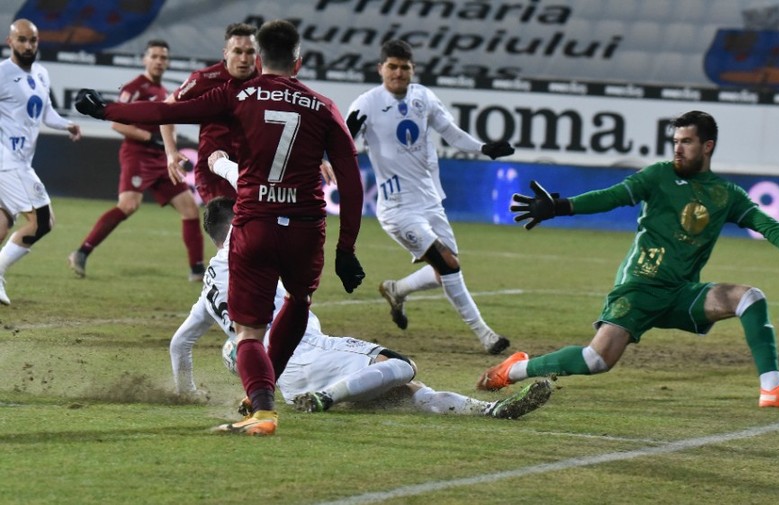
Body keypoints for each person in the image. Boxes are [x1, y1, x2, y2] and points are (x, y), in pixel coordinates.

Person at [75, 19, 366, 436]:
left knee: (248, 331)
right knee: (298, 301)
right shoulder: (323, 106)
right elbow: (351, 182)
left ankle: (262, 409)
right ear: (298, 63)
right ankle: (261, 393)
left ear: (259, 60)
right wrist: (346, 248)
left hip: (256, 224)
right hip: (306, 229)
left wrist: (106, 110)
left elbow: (165, 111)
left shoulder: (237, 95)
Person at [477, 110, 779, 410]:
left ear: (707, 146)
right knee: (596, 360)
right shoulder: (658, 176)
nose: (678, 148)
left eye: (687, 142)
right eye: (675, 141)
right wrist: (560, 206)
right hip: (640, 287)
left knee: (749, 297)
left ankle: (772, 389)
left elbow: (769, 226)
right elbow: (613, 196)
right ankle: (515, 368)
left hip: (680, 293)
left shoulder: (726, 195)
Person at [170, 196, 551, 421]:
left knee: (409, 391)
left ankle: (490, 411)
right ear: (237, 223)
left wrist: (187, 391)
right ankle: (326, 399)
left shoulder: (208, 291)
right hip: (307, 351)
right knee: (402, 365)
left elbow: (180, 344)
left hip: (281, 382)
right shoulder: (248, 253)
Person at [347, 39, 515, 355]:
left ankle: (397, 289)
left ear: (413, 69)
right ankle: (486, 335)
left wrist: (483, 147)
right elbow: (344, 140)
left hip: (429, 200)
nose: (398, 73)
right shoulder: (366, 104)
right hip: (398, 208)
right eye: (392, 67)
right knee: (448, 265)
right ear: (380, 68)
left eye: (404, 67)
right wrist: (328, 156)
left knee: (446, 268)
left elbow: (450, 131)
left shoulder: (423, 96)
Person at [67, 39, 205, 281]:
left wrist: (169, 148)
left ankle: (197, 270)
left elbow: (167, 122)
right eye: (154, 56)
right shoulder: (134, 88)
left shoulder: (163, 92)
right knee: (129, 205)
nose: (159, 61)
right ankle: (81, 253)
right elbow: (117, 123)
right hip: (138, 155)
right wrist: (149, 138)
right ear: (145, 59)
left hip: (161, 159)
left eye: (163, 57)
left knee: (190, 208)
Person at [0, 19, 82, 305]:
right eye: (22, 40)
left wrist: (67, 124)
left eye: (32, 40)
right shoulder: (2, 73)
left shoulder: (41, 74)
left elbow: (45, 112)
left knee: (2, 224)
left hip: (20, 163)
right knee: (43, 221)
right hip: (8, 163)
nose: (28, 45)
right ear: (10, 42)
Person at [160, 22, 257, 203]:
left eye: (250, 52)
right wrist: (171, 152)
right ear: (225, 53)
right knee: (229, 219)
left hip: (253, 168)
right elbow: (166, 110)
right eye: (237, 51)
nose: (244, 59)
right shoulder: (204, 79)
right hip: (213, 171)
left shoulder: (266, 81)